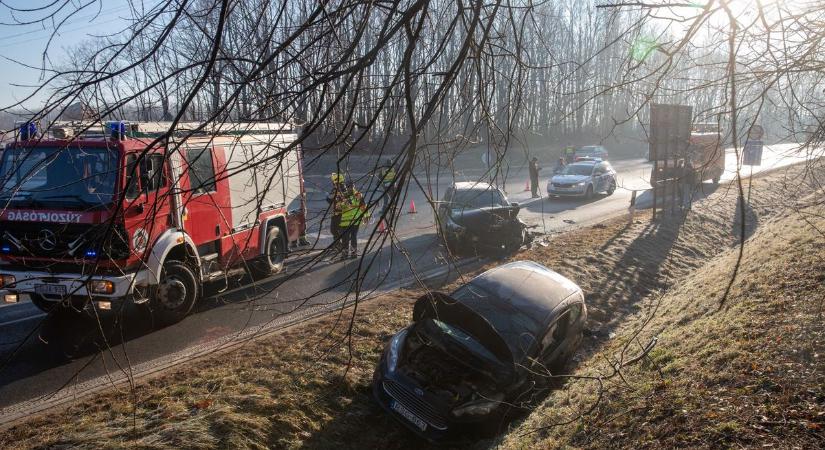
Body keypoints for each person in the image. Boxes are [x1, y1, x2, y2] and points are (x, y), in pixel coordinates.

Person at [337, 181, 369, 258]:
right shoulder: (342, 196)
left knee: (353, 236)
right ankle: (345, 253)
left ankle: (353, 252)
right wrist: (344, 204)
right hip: (345, 221)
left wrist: (366, 216)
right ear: (346, 187)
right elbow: (338, 206)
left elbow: (363, 206)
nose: (351, 188)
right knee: (345, 238)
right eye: (349, 187)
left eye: (352, 186)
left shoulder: (358, 195)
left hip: (355, 220)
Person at [326, 172, 346, 254]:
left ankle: (340, 245)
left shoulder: (339, 189)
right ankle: (338, 244)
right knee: (334, 230)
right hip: (336, 213)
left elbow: (331, 200)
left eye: (333, 181)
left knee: (336, 230)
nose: (332, 182)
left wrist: (327, 197)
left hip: (340, 213)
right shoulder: (340, 188)